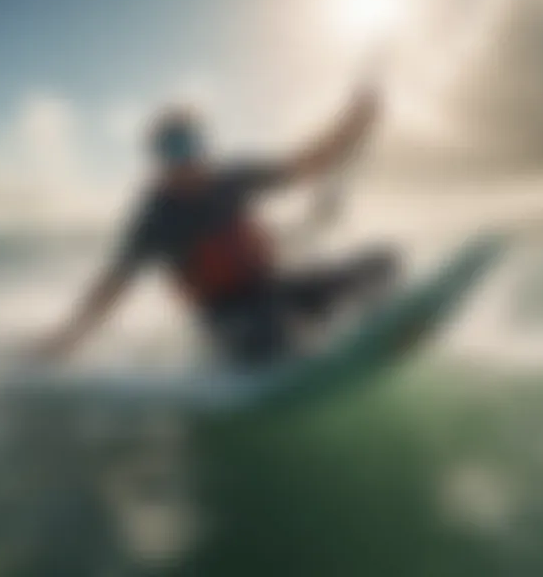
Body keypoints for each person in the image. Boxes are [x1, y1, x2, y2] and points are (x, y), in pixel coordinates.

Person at [37, 84, 399, 369]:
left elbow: (308, 163)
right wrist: (69, 337)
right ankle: (301, 355)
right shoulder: (155, 218)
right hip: (227, 318)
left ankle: (376, 337)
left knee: (380, 264)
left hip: (272, 290)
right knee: (272, 333)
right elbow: (113, 284)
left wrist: (354, 121)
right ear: (158, 160)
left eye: (189, 145)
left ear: (202, 147)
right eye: (172, 149)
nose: (185, 158)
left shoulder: (231, 180)